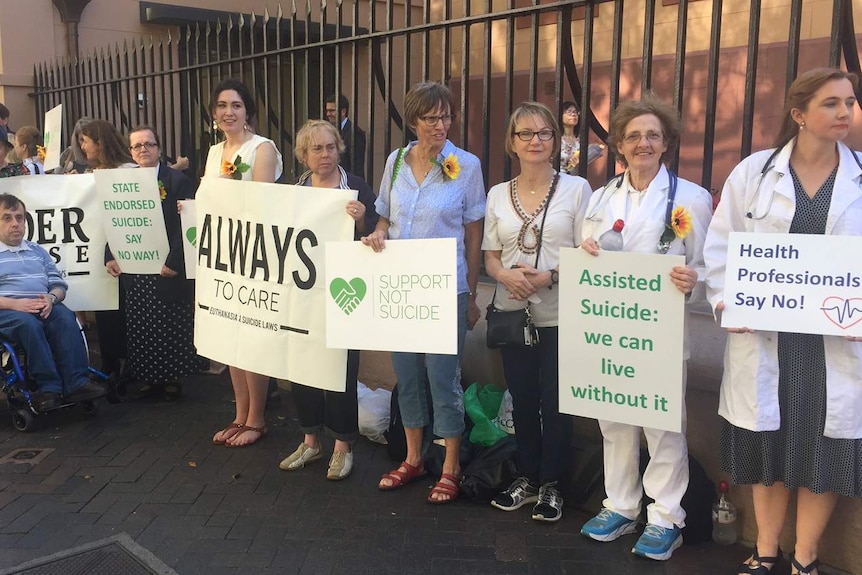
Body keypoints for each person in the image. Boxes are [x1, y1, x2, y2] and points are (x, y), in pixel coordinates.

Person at [704, 67, 862, 575]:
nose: (845, 113)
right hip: (767, 336)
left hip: (833, 340)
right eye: (831, 104)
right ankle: (766, 549)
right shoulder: (754, 173)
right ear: (799, 114)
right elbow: (721, 245)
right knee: (768, 443)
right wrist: (729, 301)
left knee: (824, 450)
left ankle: (806, 556)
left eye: (849, 103)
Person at [578, 93, 713, 560]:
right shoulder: (600, 198)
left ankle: (665, 516)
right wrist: (587, 256)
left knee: (662, 424)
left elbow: (706, 266)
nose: (643, 143)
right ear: (619, 143)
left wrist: (692, 280)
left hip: (659, 333)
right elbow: (586, 257)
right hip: (609, 331)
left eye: (652, 135)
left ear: (667, 142)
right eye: (634, 136)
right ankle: (619, 504)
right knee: (613, 418)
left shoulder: (692, 199)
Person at [362, 81, 486, 503]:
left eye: (446, 116)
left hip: (445, 288)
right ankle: (413, 458)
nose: (440, 125)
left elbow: (473, 235)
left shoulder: (466, 165)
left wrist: (469, 294)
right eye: (431, 117)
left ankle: (450, 464)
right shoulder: (396, 162)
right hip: (402, 288)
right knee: (408, 374)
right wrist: (376, 235)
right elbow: (384, 218)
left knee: (442, 376)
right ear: (413, 120)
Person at [483, 102, 592, 521]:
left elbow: (588, 250)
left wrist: (549, 277)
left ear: (555, 140)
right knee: (523, 398)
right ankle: (528, 476)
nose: (535, 141)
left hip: (561, 312)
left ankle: (553, 484)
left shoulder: (577, 189)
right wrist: (504, 276)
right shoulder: (497, 194)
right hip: (512, 311)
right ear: (512, 142)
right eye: (525, 134)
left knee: (557, 399)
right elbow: (490, 256)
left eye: (544, 133)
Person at [278, 119, 378, 480]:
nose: (325, 155)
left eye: (331, 147)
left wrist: (364, 220)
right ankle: (310, 440)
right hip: (305, 294)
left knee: (341, 370)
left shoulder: (357, 188)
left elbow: (375, 235)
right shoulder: (294, 190)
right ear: (304, 155)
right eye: (317, 149)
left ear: (340, 148)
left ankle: (342, 446)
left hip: (344, 293)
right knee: (303, 366)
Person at [205, 78, 283, 448]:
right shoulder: (213, 152)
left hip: (254, 254)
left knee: (251, 335)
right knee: (229, 335)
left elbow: (263, 206)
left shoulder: (261, 149)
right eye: (222, 106)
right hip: (223, 255)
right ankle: (239, 414)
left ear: (247, 110)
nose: (228, 112)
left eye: (235, 105)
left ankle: (257, 418)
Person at [102, 125, 197, 401]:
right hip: (136, 267)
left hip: (165, 268)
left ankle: (169, 379)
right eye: (137, 146)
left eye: (149, 144)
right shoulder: (122, 181)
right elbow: (114, 219)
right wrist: (110, 253)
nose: (143, 149)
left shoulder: (177, 180)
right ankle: (147, 377)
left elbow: (186, 225)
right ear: (130, 151)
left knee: (169, 323)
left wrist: (175, 261)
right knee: (141, 324)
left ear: (159, 148)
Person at [0, 194, 103, 411]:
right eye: (7, 218)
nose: (15, 224)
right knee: (28, 324)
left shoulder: (37, 251)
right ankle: (49, 388)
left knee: (65, 316)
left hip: (41, 306)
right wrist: (14, 304)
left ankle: (76, 383)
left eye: (19, 218)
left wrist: (51, 298)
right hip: (7, 311)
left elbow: (58, 284)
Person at [80, 120, 136, 381]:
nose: (82, 147)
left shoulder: (128, 171)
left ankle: (130, 364)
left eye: (85, 141)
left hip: (127, 252)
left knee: (126, 310)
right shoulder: (90, 175)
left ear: (99, 144)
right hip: (98, 254)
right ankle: (111, 363)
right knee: (105, 311)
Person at [325, 94, 366, 179]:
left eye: (332, 110)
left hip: (347, 184)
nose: (328, 114)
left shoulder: (355, 133)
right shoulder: (329, 130)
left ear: (343, 111)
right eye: (327, 111)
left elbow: (357, 166)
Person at [559, 101, 604, 174]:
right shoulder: (556, 138)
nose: (573, 114)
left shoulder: (580, 140)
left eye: (575, 112)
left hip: (574, 179)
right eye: (569, 111)